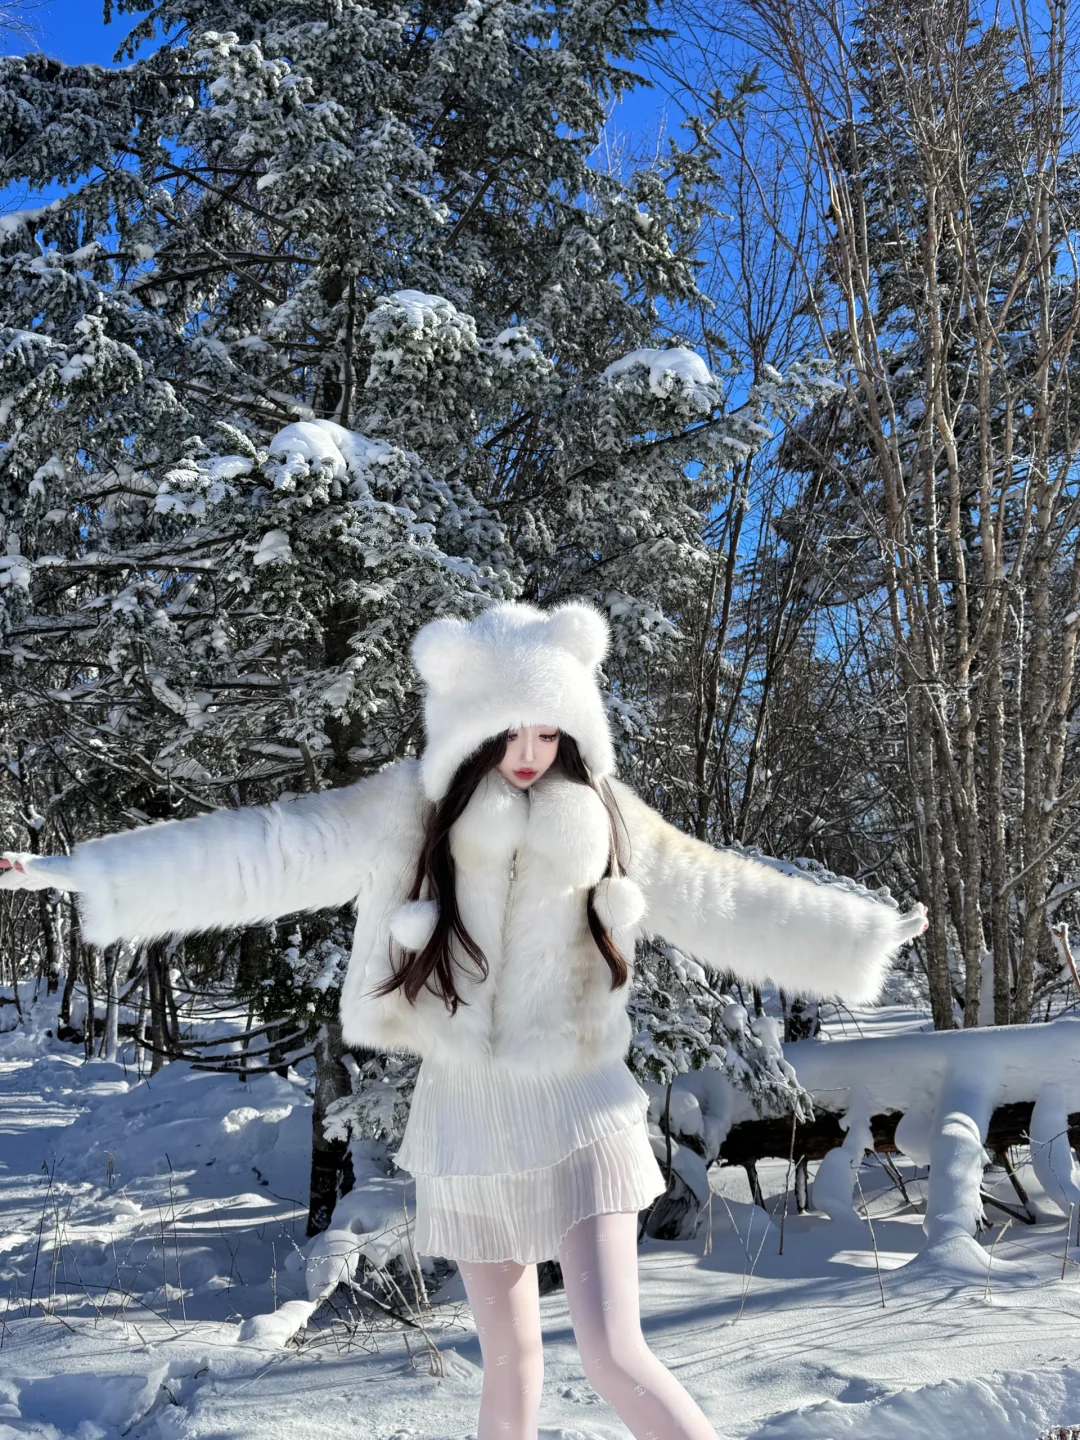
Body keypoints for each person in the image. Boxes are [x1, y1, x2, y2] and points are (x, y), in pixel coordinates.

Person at [1, 599, 927, 1440]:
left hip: (584, 1112)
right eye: (506, 731)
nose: (528, 751)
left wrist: (862, 937)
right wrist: (82, 872)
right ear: (468, 735)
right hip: (468, 1123)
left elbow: (726, 893)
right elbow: (264, 849)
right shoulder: (409, 814)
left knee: (612, 1351)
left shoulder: (608, 817)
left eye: (546, 729)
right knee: (511, 1366)